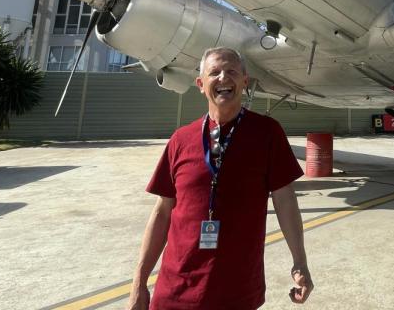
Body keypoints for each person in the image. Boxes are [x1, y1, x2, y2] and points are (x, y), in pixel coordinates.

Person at [127, 47, 312, 309]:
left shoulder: (267, 133)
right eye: (214, 72)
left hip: (237, 293)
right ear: (201, 84)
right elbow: (162, 213)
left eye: (232, 71)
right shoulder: (181, 139)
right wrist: (139, 282)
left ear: (244, 82)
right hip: (174, 293)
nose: (224, 77)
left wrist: (300, 262)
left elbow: (285, 202)